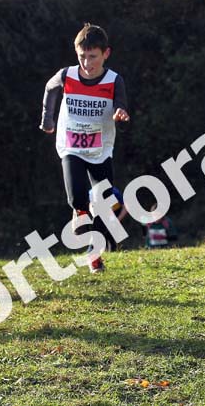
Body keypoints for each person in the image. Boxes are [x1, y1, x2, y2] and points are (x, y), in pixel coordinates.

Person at [40, 23, 130, 274]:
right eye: (82, 56)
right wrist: (47, 118)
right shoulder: (67, 75)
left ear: (106, 54)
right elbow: (50, 89)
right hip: (72, 147)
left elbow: (121, 106)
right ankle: (79, 209)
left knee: (104, 203)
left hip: (101, 150)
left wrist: (121, 114)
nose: (87, 63)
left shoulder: (114, 80)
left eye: (93, 56)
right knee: (77, 196)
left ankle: (94, 253)